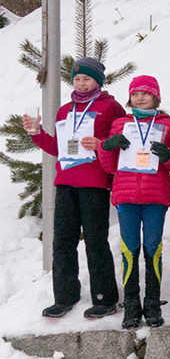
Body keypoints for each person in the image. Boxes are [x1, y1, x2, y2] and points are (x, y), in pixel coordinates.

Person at [24, 58, 124, 319]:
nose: (81, 84)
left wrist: (101, 143)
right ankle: (65, 297)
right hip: (66, 183)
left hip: (95, 184)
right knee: (63, 242)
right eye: (77, 79)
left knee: (95, 242)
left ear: (98, 81)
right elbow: (58, 148)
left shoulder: (110, 107)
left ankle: (104, 298)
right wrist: (36, 133)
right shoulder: (65, 110)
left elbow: (122, 141)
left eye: (87, 79)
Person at [97, 75, 170, 329]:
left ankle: (152, 303)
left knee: (153, 249)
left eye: (145, 94)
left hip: (156, 196)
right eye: (135, 94)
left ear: (156, 97)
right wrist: (107, 146)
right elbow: (108, 165)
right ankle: (132, 305)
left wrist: (168, 156)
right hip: (126, 196)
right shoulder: (120, 123)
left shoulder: (169, 125)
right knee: (129, 249)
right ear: (129, 97)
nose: (140, 98)